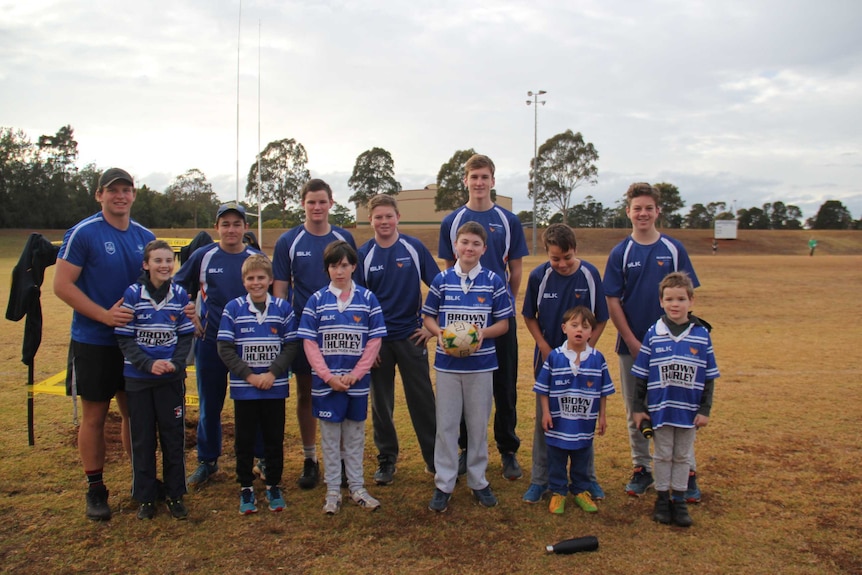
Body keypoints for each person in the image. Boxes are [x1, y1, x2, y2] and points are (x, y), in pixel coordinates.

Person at [54, 167, 156, 521]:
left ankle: (141, 481)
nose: (120, 196)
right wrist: (103, 316)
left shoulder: (145, 236)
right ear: (99, 195)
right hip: (94, 340)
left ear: (134, 195)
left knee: (134, 413)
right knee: (95, 416)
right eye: (113, 190)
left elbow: (157, 285)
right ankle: (95, 489)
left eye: (126, 190)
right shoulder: (84, 233)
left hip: (135, 344)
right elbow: (62, 286)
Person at [603, 183, 701, 500]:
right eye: (637, 208)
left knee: (677, 408)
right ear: (628, 212)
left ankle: (686, 472)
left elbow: (685, 297)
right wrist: (632, 340)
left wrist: (677, 342)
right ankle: (642, 468)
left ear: (657, 211)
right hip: (632, 348)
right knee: (637, 409)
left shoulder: (674, 249)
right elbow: (613, 300)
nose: (642, 213)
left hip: (672, 350)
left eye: (648, 208)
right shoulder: (621, 252)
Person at [437, 154, 529, 481]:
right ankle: (465, 450)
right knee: (463, 383)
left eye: (484, 177)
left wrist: (506, 302)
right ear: (465, 180)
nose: (479, 182)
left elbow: (515, 268)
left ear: (493, 180)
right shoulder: (451, 221)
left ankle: (508, 450)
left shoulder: (508, 220)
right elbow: (447, 267)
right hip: (462, 317)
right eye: (473, 176)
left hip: (498, 315)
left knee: (504, 385)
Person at [273, 179, 357, 490]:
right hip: (304, 331)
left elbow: (352, 285)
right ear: (303, 204)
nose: (317, 207)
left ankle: (346, 460)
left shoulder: (343, 237)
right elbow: (280, 290)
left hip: (342, 331)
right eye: (311, 202)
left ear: (331, 203)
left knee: (344, 390)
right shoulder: (288, 241)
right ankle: (311, 458)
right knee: (307, 393)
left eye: (322, 202)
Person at [424, 222, 513, 512]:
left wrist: (478, 335)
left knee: (477, 425)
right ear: (455, 247)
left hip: (481, 365)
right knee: (447, 426)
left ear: (484, 249)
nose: (469, 248)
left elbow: (503, 324)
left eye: (475, 243)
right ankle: (444, 483)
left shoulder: (493, 281)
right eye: (464, 242)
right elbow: (428, 318)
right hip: (448, 365)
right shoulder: (442, 280)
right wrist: (442, 335)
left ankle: (478, 480)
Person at [174, 202, 262, 488]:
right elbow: (176, 286)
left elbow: (271, 294)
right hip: (210, 342)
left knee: (251, 403)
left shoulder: (256, 257)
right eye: (225, 224)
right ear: (217, 228)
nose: (231, 229)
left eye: (237, 224)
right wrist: (189, 312)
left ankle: (258, 457)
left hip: (247, 344)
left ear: (245, 228)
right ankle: (207, 460)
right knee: (209, 404)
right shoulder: (204, 255)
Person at [521, 224, 609, 504]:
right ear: (546, 253)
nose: (561, 264)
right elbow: (529, 316)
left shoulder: (590, 274)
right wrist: (545, 346)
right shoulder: (539, 276)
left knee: (582, 417)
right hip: (549, 360)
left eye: (567, 257)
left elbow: (602, 316)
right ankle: (540, 480)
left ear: (575, 250)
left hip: (584, 364)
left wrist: (587, 349)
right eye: (555, 258)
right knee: (546, 420)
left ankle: (587, 480)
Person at [298, 241, 386, 514]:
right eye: (334, 266)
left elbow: (374, 341)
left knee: (355, 436)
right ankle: (333, 490)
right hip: (327, 385)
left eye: (344, 265)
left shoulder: (367, 299)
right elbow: (310, 344)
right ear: (327, 269)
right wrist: (327, 376)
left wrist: (356, 374)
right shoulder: (316, 300)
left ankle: (357, 487)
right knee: (330, 438)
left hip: (356, 384)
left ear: (353, 267)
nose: (339, 271)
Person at [357, 194, 439, 484]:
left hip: (411, 338)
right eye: (378, 217)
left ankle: (434, 459)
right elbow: (359, 303)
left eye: (388, 216)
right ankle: (386, 459)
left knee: (423, 400)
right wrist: (368, 344)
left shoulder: (413, 248)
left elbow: (439, 286)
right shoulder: (363, 255)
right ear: (371, 221)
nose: (384, 222)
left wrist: (432, 327)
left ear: (398, 218)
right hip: (378, 342)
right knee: (381, 403)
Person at [631, 272, 719, 527]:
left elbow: (709, 376)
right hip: (660, 410)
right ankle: (661, 499)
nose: (675, 304)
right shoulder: (653, 333)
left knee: (682, 456)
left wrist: (705, 409)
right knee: (662, 455)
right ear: (661, 301)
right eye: (669, 299)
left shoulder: (701, 335)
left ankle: (678, 500)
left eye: (681, 298)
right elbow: (641, 375)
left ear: (691, 301)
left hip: (689, 411)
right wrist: (638, 408)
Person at [115, 240, 195, 520]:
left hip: (170, 380)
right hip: (138, 379)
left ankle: (175, 494)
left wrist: (175, 363)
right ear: (146, 265)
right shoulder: (133, 294)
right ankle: (146, 497)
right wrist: (148, 363)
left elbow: (185, 335)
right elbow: (124, 337)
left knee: (173, 438)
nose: (164, 265)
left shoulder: (181, 295)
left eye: (168, 260)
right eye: (158, 260)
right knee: (143, 440)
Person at [217, 254, 300, 515]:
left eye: (261, 278)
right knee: (244, 439)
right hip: (245, 389)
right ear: (243, 281)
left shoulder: (283, 308)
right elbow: (225, 348)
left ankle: (273, 483)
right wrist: (250, 376)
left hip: (274, 387)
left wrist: (273, 373)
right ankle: (245, 487)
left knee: (274, 437)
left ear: (270, 279)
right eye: (250, 278)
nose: (256, 283)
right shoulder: (233, 309)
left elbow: (291, 344)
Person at [533, 306, 614, 515]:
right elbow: (543, 389)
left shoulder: (598, 359)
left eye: (585, 327)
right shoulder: (555, 357)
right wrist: (546, 413)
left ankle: (580, 491)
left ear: (591, 332)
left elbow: (603, 391)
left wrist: (602, 416)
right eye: (574, 325)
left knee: (582, 458)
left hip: (583, 423)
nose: (579, 330)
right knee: (557, 458)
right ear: (564, 328)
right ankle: (558, 492)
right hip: (559, 423)